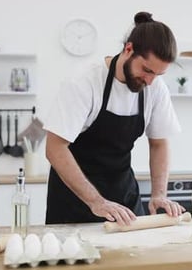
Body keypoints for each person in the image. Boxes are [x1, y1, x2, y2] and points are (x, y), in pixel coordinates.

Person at [44, 11, 184, 226]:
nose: (150, 80)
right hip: (74, 201)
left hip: (123, 198)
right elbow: (55, 148)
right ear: (128, 49)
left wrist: (159, 194)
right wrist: (96, 201)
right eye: (146, 70)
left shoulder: (155, 88)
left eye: (157, 74)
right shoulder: (84, 82)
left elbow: (158, 143)